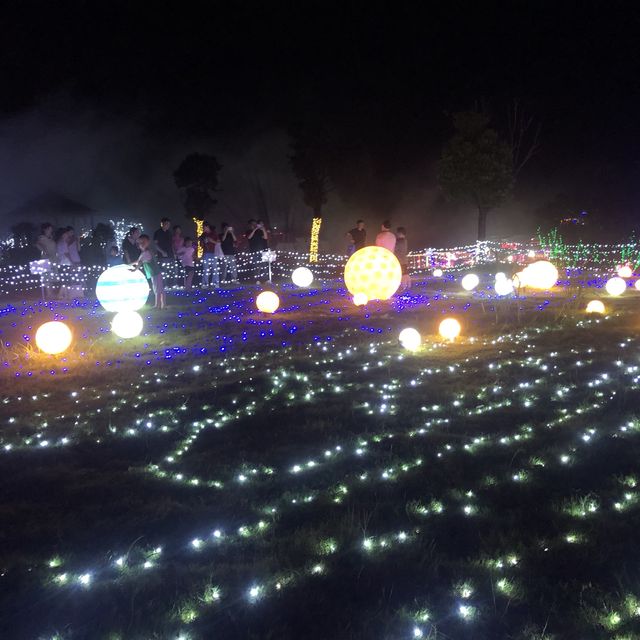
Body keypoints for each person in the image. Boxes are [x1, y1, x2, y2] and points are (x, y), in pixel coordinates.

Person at [131, 234, 165, 309]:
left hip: (155, 273)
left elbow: (139, 262)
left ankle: (158, 305)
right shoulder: (146, 252)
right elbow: (138, 261)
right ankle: (162, 305)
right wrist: (129, 264)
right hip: (155, 273)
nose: (141, 245)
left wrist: (134, 269)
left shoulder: (146, 253)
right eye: (140, 243)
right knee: (159, 289)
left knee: (157, 289)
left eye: (143, 243)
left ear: (147, 242)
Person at [199, 222, 220, 288]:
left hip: (214, 253)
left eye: (204, 227)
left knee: (215, 269)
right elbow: (201, 245)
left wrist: (211, 240)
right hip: (206, 253)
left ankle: (215, 283)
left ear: (207, 226)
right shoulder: (203, 235)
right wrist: (202, 242)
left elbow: (218, 242)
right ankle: (205, 284)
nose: (203, 228)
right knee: (205, 269)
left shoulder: (214, 233)